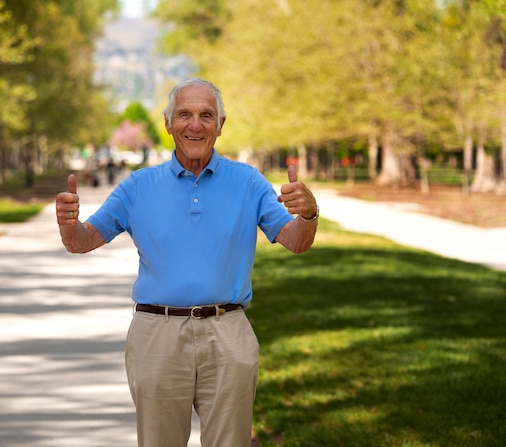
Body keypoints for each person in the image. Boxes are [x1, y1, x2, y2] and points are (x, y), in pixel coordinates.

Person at [56, 78, 319, 447]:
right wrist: (68, 225)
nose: (195, 125)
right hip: (157, 333)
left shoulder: (248, 182)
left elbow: (296, 242)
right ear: (168, 124)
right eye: (185, 115)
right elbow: (82, 242)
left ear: (221, 125)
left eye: (206, 115)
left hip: (228, 332)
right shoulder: (137, 186)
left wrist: (308, 215)